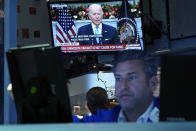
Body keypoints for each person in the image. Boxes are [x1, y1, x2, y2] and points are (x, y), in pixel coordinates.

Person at [113, 50, 159, 123]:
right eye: (118, 79)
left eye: (132, 77)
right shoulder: (99, 121)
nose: (123, 86)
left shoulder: (175, 120)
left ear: (153, 83)